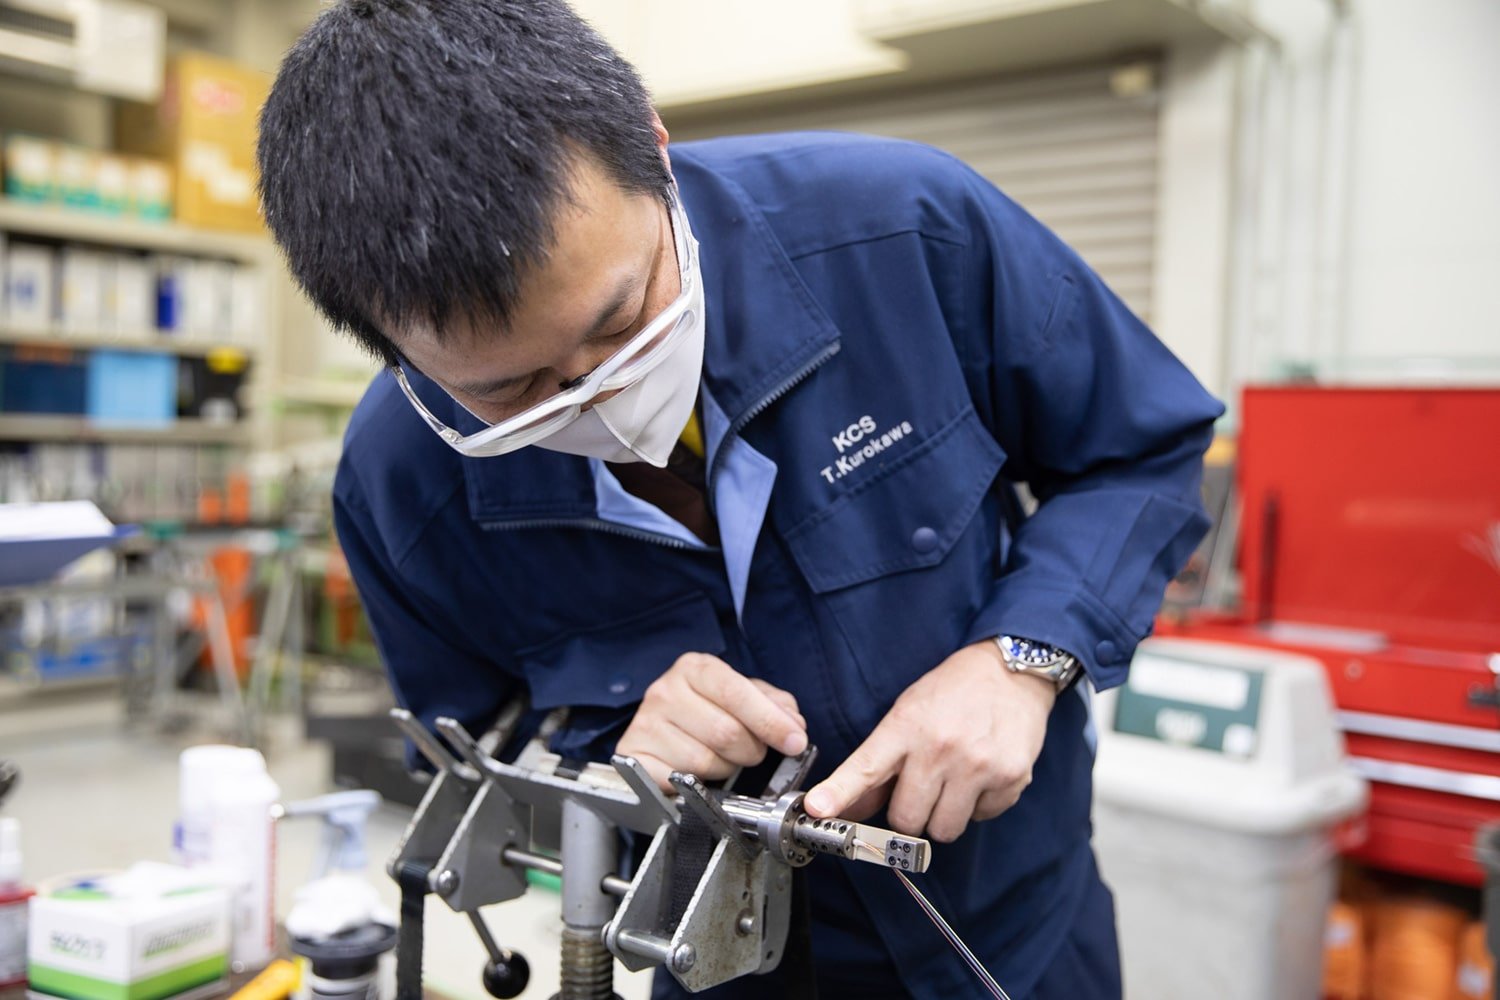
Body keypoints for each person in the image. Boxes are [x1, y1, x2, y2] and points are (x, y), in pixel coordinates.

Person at [256, 2, 1223, 996]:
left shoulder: (901, 233)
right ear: (382, 339)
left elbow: (1141, 449)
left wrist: (1024, 656)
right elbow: (470, 772)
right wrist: (610, 775)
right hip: (718, 968)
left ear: (655, 148)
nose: (603, 394)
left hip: (1020, 934)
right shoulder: (401, 483)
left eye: (623, 317)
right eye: (512, 391)